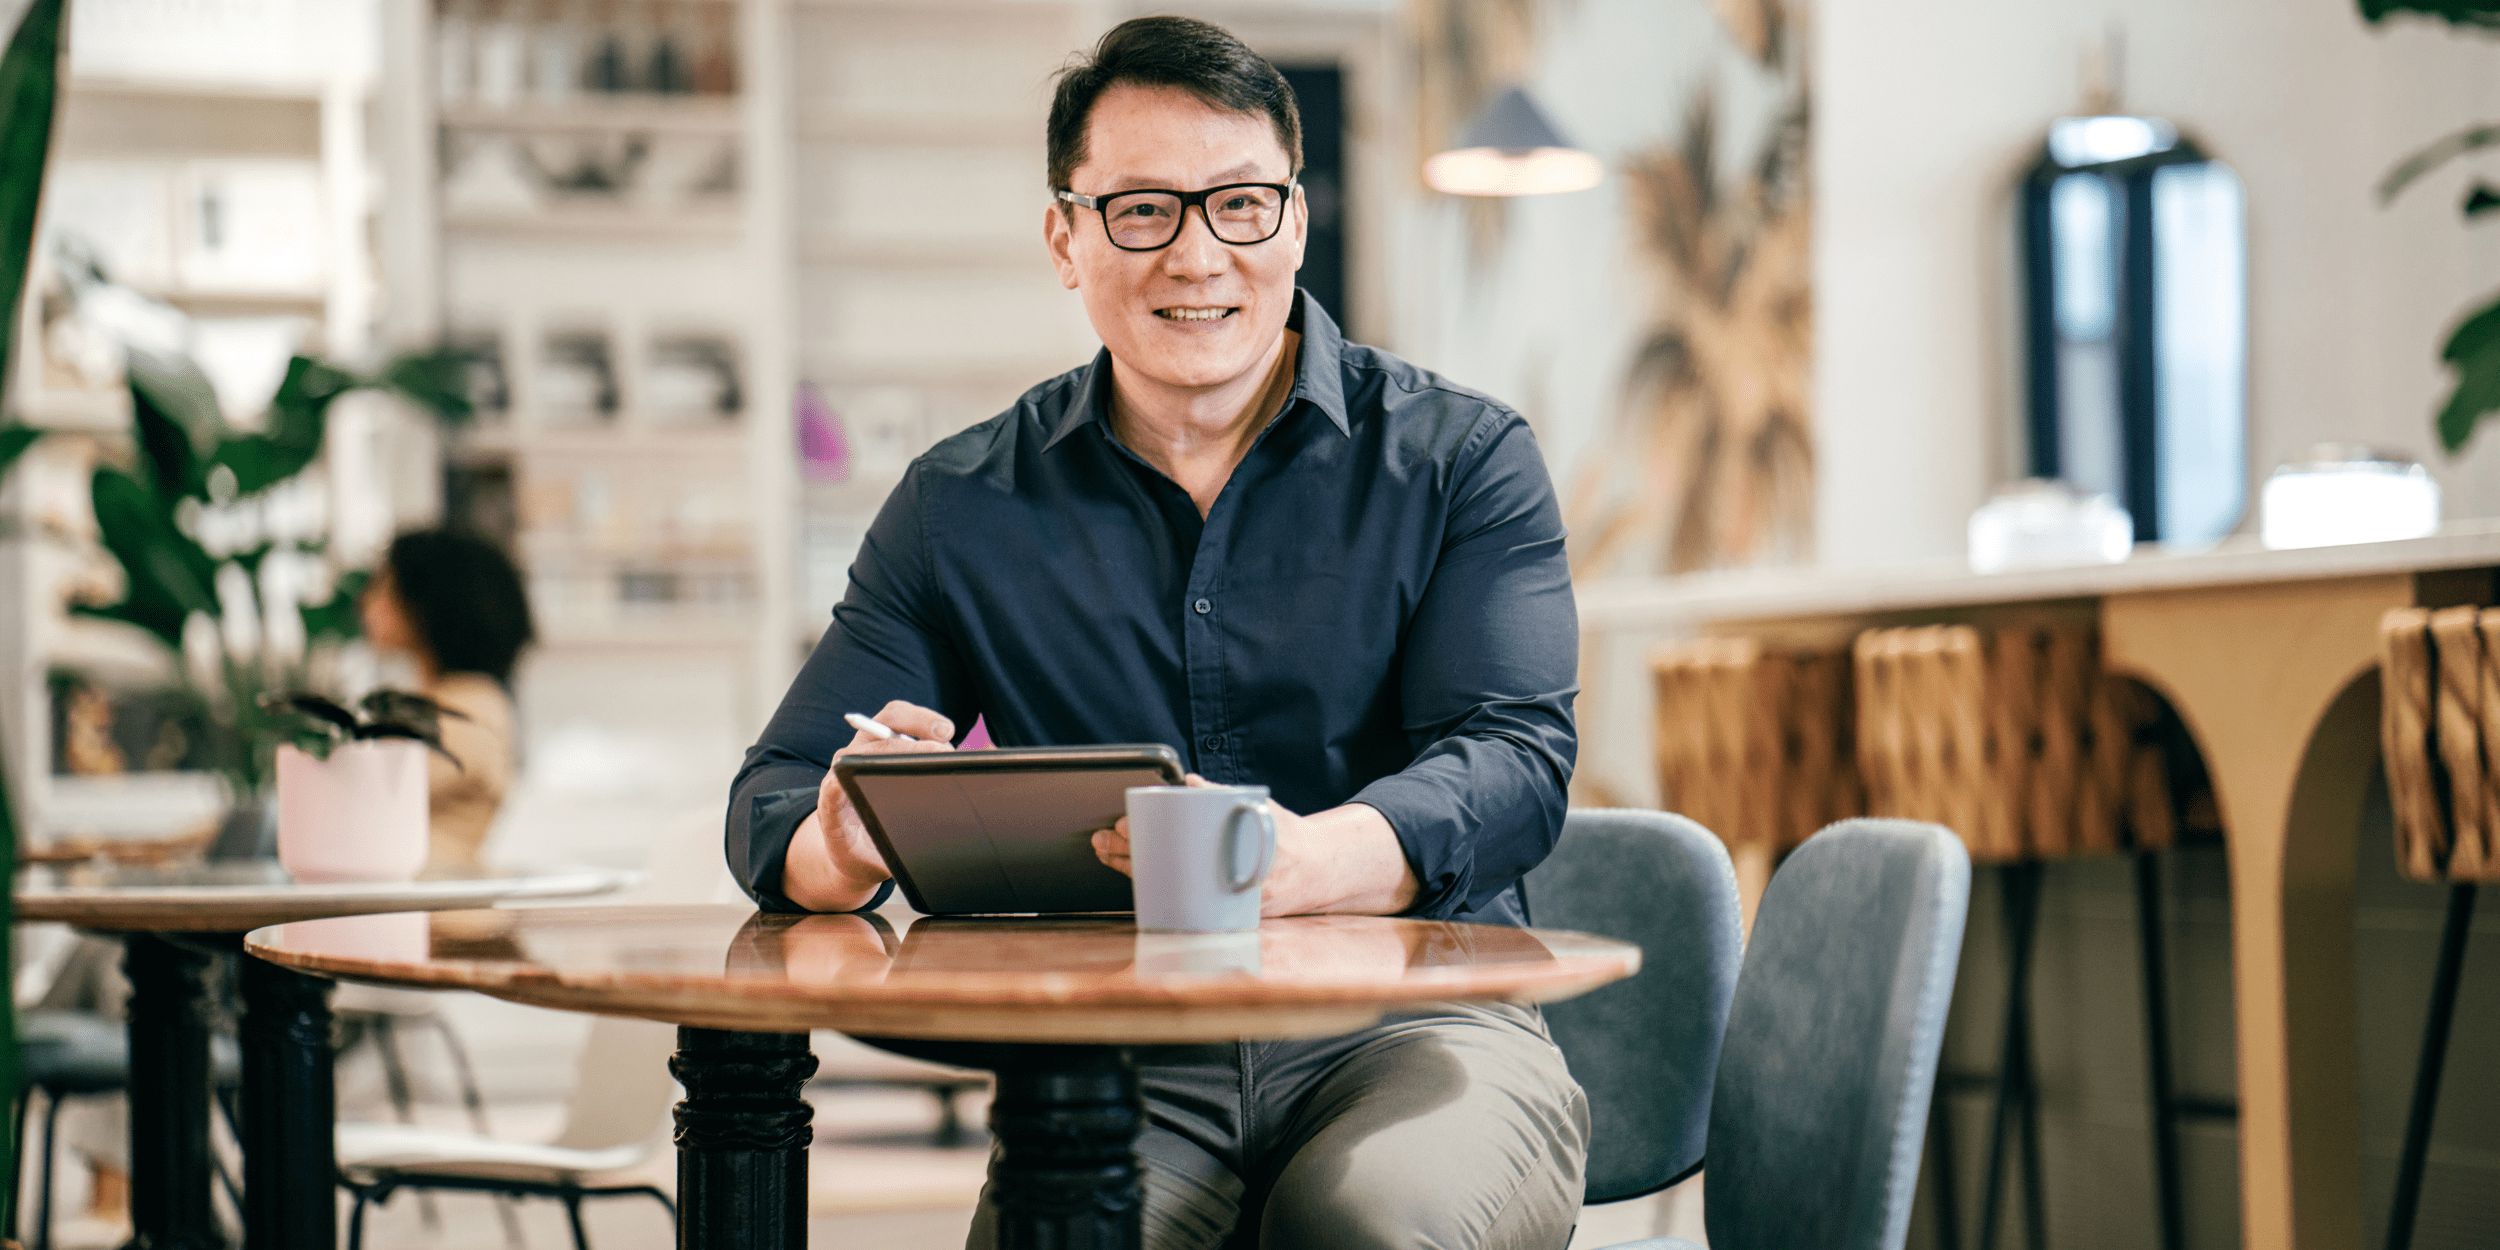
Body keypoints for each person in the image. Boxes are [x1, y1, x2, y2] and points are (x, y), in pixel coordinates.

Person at [726, 16, 1584, 1249]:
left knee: (1371, 1226)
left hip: (1423, 1025)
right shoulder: (961, 504)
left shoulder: (1461, 460)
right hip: (1117, 1059)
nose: (1197, 256)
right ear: (1064, 239)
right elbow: (775, 794)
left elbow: (1512, 762)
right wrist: (841, 844)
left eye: (1239, 204)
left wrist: (1305, 864)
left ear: (1292, 220)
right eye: (1140, 210)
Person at [358, 527, 535, 870]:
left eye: (384, 585)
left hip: (435, 911)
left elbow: (358, 802)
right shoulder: (452, 700)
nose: (367, 601)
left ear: (427, 602)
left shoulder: (468, 710)